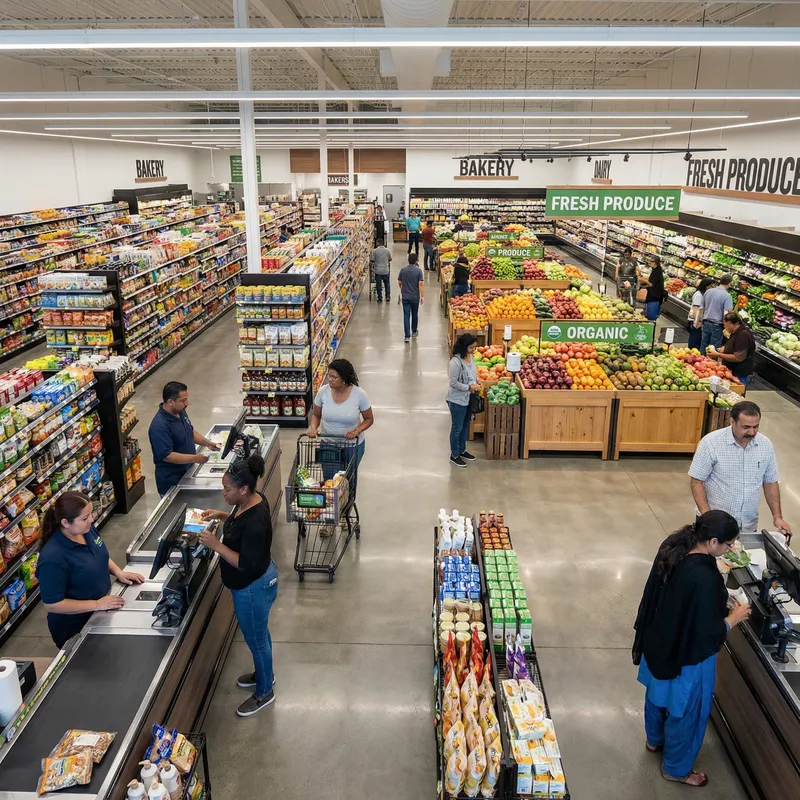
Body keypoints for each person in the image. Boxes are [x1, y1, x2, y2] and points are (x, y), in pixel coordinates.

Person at [633, 510, 751, 787]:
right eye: (728, 544)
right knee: (686, 712)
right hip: (685, 660)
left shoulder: (674, 545)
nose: (729, 549)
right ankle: (676, 768)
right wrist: (733, 618)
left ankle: (654, 741)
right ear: (712, 541)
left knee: (657, 697)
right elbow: (703, 632)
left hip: (659, 644)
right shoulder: (703, 575)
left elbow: (677, 598)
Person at [199, 453, 277, 717]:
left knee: (256, 640)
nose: (224, 492)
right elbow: (237, 519)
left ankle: (265, 692)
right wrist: (221, 514)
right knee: (260, 634)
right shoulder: (253, 500)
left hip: (253, 587)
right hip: (255, 584)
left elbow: (246, 564)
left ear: (244, 489)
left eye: (227, 489)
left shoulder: (255, 523)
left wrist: (216, 545)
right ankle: (265, 674)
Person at [37, 491, 145, 648]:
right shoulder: (53, 558)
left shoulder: (85, 531)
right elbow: (52, 604)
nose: (91, 520)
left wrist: (118, 572)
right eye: (85, 518)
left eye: (90, 514)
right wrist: (96, 604)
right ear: (66, 523)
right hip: (75, 625)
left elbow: (98, 555)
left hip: (100, 610)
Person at [689, 400, 792, 535]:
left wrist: (777, 517)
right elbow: (697, 481)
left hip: (748, 525)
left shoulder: (765, 445)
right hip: (715, 524)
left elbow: (770, 482)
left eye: (756, 426)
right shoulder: (710, 443)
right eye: (746, 427)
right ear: (732, 421)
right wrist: (707, 516)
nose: (752, 432)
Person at [148, 381, 220, 496]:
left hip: (186, 473)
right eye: (183, 400)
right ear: (170, 402)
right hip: (172, 483)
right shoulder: (159, 426)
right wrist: (195, 458)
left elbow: (189, 431)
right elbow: (168, 456)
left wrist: (208, 443)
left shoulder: (180, 411)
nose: (187, 403)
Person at [308, 359, 374, 470]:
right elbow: (316, 415)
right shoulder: (323, 392)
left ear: (344, 379)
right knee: (330, 481)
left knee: (348, 479)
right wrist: (313, 428)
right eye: (329, 375)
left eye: (334, 377)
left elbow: (369, 419)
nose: (330, 379)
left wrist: (356, 431)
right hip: (328, 444)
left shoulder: (359, 394)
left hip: (352, 446)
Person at [446, 333, 481, 469]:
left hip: (468, 398)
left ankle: (462, 450)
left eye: (474, 347)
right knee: (457, 428)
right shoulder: (455, 362)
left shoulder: (470, 357)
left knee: (465, 426)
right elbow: (453, 383)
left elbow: (472, 374)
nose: (473, 350)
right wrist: (469, 387)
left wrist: (477, 383)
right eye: (471, 347)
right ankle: (454, 455)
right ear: (464, 346)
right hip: (457, 400)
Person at [705, 311, 757, 386]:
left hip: (739, 373)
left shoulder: (743, 335)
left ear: (730, 323)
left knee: (738, 392)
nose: (724, 328)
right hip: (732, 371)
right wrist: (723, 348)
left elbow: (738, 357)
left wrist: (718, 355)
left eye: (725, 325)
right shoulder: (736, 331)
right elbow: (732, 344)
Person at [700, 275, 733, 354]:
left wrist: (700, 320)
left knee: (704, 344)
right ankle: (709, 365)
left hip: (706, 323)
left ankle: (699, 362)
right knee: (713, 348)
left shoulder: (708, 291)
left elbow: (702, 307)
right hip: (717, 326)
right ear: (729, 284)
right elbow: (729, 312)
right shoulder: (727, 296)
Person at [398, 253, 424, 343]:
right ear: (416, 261)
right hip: (415, 297)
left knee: (406, 316)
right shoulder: (419, 271)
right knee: (414, 314)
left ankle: (407, 336)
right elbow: (420, 284)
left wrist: (402, 288)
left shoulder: (403, 270)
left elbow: (399, 282)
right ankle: (414, 331)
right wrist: (422, 296)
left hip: (405, 296)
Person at [688, 278, 713, 351]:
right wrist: (697, 321)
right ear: (706, 286)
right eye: (710, 286)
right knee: (694, 338)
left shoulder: (703, 294)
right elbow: (696, 308)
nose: (711, 288)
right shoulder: (698, 295)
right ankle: (691, 351)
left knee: (697, 338)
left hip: (698, 320)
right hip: (694, 320)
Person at [641, 255, 665, 322]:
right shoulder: (655, 270)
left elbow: (651, 284)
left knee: (651, 316)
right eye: (650, 261)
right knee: (649, 314)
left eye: (652, 261)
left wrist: (644, 280)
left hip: (655, 297)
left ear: (656, 263)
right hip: (653, 295)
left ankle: (651, 327)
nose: (650, 262)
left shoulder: (657, 272)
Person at [371, 238, 392, 303]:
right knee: (387, 283)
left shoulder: (375, 251)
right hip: (386, 270)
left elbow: (372, 259)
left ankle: (380, 298)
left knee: (378, 285)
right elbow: (390, 259)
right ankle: (387, 296)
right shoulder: (387, 250)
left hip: (378, 271)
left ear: (378, 243)